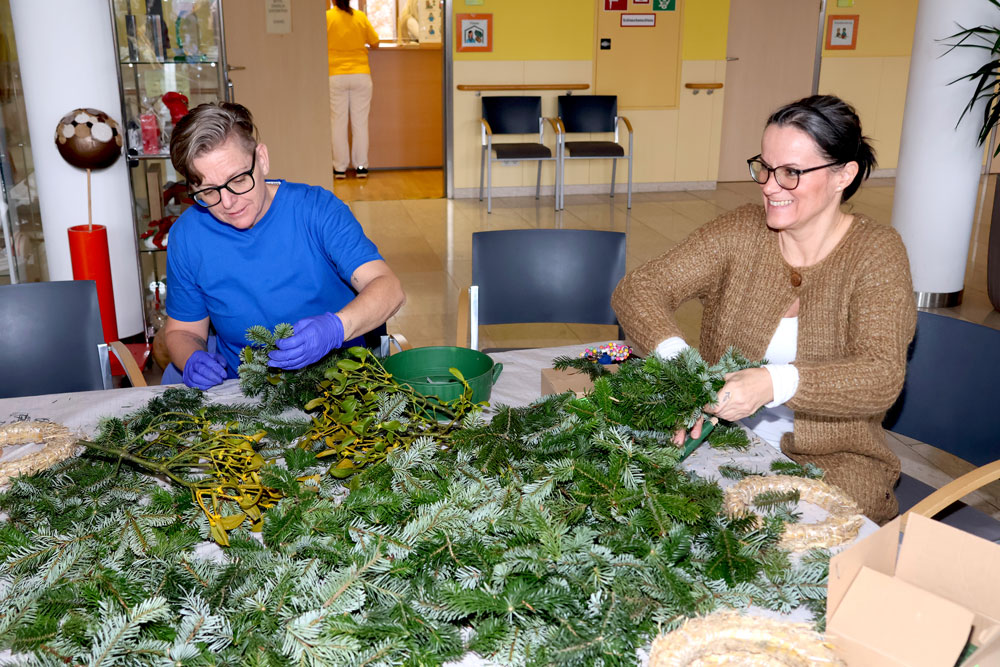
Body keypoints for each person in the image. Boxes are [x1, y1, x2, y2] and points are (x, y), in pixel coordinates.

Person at [611, 95, 916, 524]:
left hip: (836, 465)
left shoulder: (876, 253)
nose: (770, 185)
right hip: (719, 438)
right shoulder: (742, 230)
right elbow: (639, 289)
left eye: (791, 172)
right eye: (765, 167)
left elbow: (881, 375)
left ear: (843, 175)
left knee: (764, 544)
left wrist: (771, 383)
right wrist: (687, 369)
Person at [160, 102, 405, 389]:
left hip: (339, 384)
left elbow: (389, 288)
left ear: (261, 159)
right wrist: (192, 358)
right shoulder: (188, 236)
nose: (228, 202)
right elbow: (183, 330)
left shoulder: (315, 210)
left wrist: (335, 329)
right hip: (244, 391)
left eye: (238, 179)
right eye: (208, 191)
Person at [327, 0, 379, 179]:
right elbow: (375, 42)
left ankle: (339, 168)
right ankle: (361, 167)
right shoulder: (360, 17)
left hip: (335, 74)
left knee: (338, 122)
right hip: (360, 74)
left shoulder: (327, 17)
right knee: (360, 123)